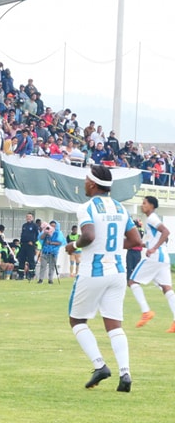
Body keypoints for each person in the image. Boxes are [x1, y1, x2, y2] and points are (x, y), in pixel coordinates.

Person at [65, 165, 141, 392]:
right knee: (114, 324)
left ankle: (100, 365)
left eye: (86, 179)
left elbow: (88, 235)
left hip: (93, 270)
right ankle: (125, 373)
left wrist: (73, 245)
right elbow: (136, 239)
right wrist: (114, 248)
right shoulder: (120, 208)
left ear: (92, 184)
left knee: (77, 320)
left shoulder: (87, 207)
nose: (84, 183)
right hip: (117, 271)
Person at [128, 195, 175, 332]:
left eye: (144, 203)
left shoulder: (152, 218)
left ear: (152, 206)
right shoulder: (150, 220)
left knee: (132, 281)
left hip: (155, 257)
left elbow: (166, 231)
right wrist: (144, 244)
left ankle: (146, 312)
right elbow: (150, 240)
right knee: (167, 288)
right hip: (163, 258)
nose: (142, 205)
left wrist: (154, 248)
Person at [37, 220, 64, 284]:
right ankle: (41, 279)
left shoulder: (58, 233)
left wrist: (51, 243)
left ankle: (50, 279)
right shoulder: (46, 232)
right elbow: (41, 238)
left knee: (52, 266)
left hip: (53, 252)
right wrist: (45, 233)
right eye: (51, 226)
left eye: (54, 226)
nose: (52, 227)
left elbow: (60, 242)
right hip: (45, 251)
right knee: (43, 265)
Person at [17, 212, 39, 280]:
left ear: (32, 218)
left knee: (30, 260)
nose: (28, 218)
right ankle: (21, 275)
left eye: (30, 216)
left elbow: (38, 235)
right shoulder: (24, 225)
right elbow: (22, 234)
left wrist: (33, 242)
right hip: (23, 245)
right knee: (21, 259)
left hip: (30, 245)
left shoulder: (34, 225)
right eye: (27, 216)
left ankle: (31, 275)